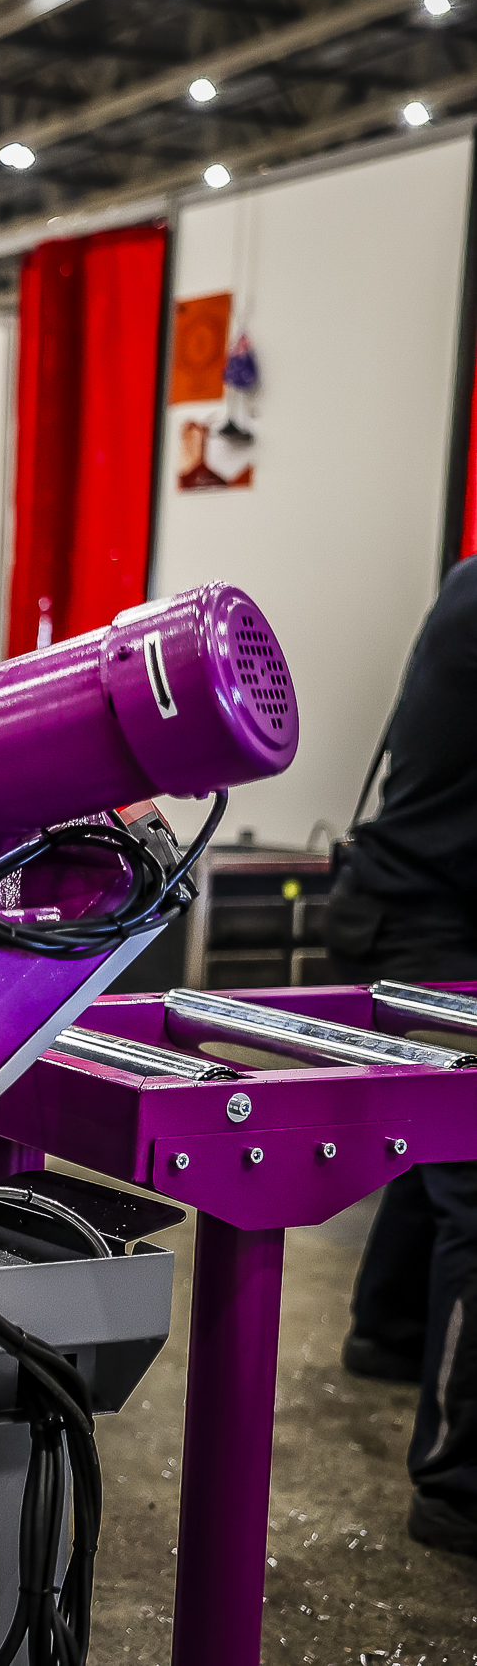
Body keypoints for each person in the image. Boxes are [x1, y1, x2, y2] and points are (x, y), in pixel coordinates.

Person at [328, 555, 477, 1559]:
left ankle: (386, 1328)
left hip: (415, 902)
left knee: (441, 1139)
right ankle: (461, 1489)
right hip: (422, 921)